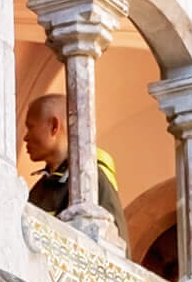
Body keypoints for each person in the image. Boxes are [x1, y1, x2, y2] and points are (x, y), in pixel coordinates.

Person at [24, 92, 130, 246]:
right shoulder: (39, 189)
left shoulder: (91, 177)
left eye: (30, 127)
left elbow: (113, 246)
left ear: (54, 126)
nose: (25, 137)